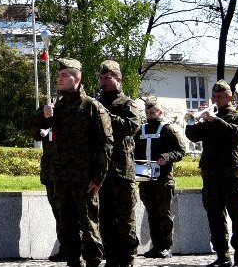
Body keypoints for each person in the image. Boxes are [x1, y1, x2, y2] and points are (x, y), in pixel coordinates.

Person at [33, 56, 112, 267]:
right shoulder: (54, 107)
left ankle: (94, 262)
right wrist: (42, 116)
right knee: (66, 228)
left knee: (89, 228)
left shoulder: (91, 106)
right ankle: (72, 263)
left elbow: (105, 144)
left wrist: (98, 177)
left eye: (63, 75)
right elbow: (34, 132)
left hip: (84, 179)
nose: (58, 79)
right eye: (58, 75)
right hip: (60, 178)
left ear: (76, 78)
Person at [186, 80, 238, 267]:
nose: (216, 99)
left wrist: (215, 120)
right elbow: (192, 136)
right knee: (215, 218)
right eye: (214, 96)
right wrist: (195, 119)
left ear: (230, 97)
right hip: (212, 176)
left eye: (220, 96)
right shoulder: (207, 118)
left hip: (233, 176)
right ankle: (222, 255)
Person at [97, 60, 144, 267]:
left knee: (125, 218)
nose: (104, 81)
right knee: (105, 219)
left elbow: (131, 127)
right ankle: (111, 258)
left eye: (108, 78)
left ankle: (127, 259)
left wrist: (106, 116)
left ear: (119, 79)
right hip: (102, 170)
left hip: (122, 171)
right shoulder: (97, 102)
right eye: (101, 78)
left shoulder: (127, 103)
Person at [136, 96, 189, 259]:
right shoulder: (140, 130)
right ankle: (156, 245)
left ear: (160, 112)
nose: (151, 115)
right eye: (148, 112)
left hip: (164, 179)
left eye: (154, 112)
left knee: (164, 213)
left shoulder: (168, 129)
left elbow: (181, 151)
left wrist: (166, 156)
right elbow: (133, 150)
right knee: (152, 212)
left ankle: (165, 246)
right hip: (145, 176)